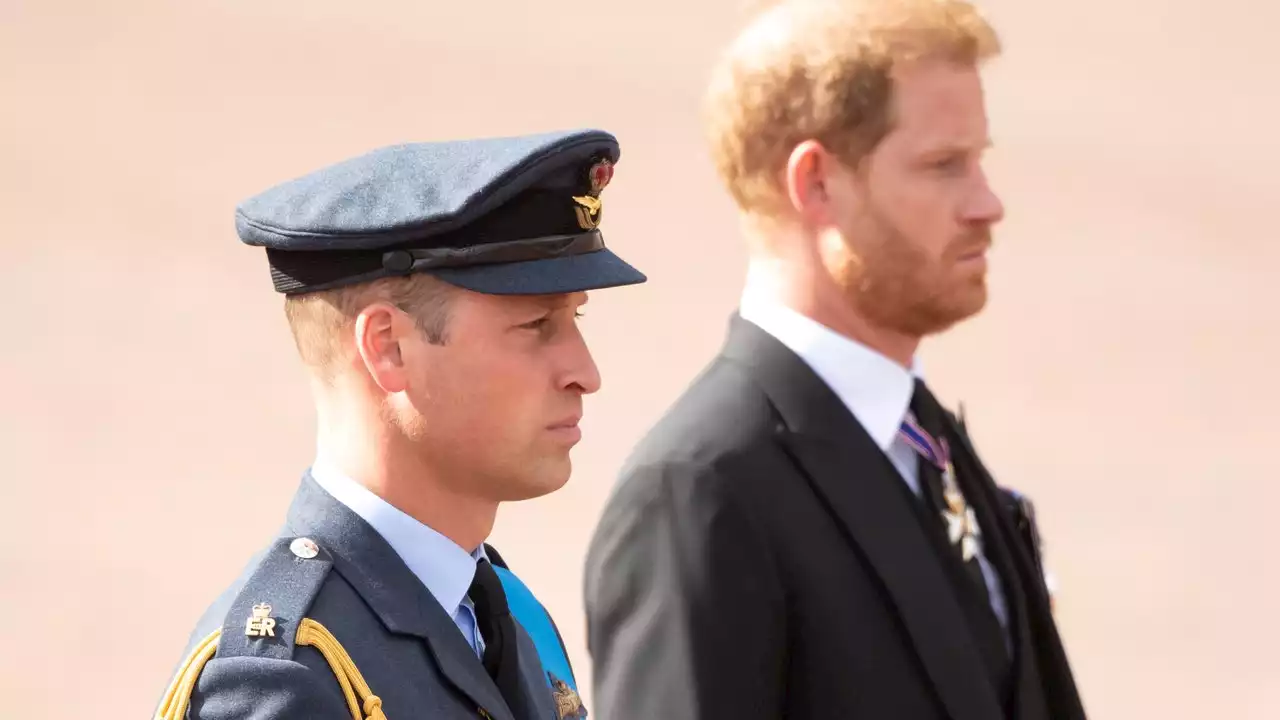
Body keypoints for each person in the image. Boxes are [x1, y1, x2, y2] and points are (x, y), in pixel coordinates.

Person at [582, 1, 1087, 719]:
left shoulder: (924, 443)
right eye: (944, 165)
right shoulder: (700, 491)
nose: (988, 203)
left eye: (980, 161)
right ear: (816, 182)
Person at [153, 128, 645, 720]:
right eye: (537, 325)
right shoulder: (283, 678)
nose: (585, 373)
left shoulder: (509, 614)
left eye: (576, 317)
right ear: (389, 348)